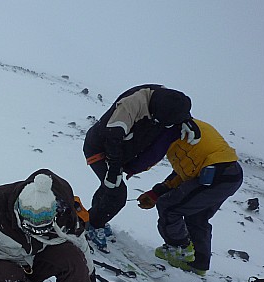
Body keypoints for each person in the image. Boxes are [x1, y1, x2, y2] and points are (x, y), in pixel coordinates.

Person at [82, 84, 201, 252]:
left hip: (121, 151)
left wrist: (186, 120)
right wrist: (114, 169)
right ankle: (92, 225)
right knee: (117, 193)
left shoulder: (166, 99)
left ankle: (94, 218)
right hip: (100, 148)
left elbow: (176, 108)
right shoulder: (133, 103)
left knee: (109, 188)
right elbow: (113, 136)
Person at [133, 119, 243, 276]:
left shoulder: (170, 131)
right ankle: (199, 263)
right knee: (197, 217)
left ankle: (180, 248)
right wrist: (156, 192)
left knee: (168, 206)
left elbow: (150, 160)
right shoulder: (185, 127)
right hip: (231, 174)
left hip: (214, 174)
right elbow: (184, 172)